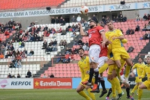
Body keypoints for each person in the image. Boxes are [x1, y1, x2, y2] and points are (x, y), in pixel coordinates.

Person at [79, 18, 107, 91]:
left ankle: (95, 84)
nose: (90, 23)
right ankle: (89, 81)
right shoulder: (90, 30)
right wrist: (80, 26)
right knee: (91, 65)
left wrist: (104, 41)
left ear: (95, 23)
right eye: (90, 22)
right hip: (91, 47)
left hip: (95, 46)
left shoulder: (98, 27)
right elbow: (82, 34)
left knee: (94, 65)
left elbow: (103, 34)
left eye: (91, 22)